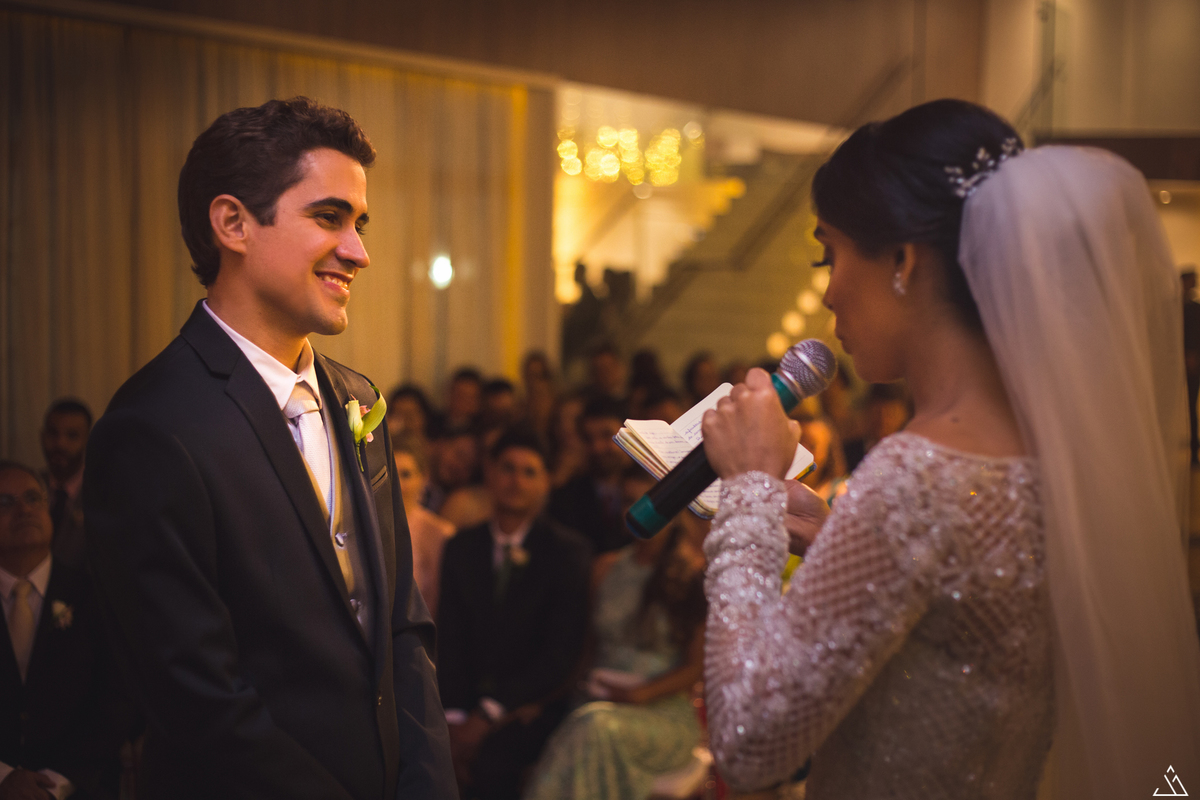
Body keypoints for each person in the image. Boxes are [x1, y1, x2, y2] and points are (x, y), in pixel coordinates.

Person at [697, 99, 1200, 799]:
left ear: (903, 260)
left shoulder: (918, 476)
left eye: (830, 253)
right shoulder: (1059, 458)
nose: (829, 291)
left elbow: (749, 743)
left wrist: (749, 492)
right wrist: (843, 544)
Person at [83, 97, 456, 799]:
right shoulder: (151, 428)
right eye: (328, 217)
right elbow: (198, 699)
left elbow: (403, 626)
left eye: (359, 223)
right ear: (233, 224)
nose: (359, 251)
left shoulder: (357, 398)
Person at [524, 467, 706, 800]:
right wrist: (554, 696)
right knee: (583, 726)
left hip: (660, 712)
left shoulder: (693, 574)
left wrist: (640, 695)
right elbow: (587, 652)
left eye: (648, 500)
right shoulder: (605, 568)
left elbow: (696, 666)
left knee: (596, 729)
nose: (636, 510)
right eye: (627, 500)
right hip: (597, 699)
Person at [437, 426, 592, 800]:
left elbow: (559, 653)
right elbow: (451, 638)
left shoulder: (567, 552)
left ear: (545, 483)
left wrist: (488, 715)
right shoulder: (462, 546)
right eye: (507, 468)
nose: (516, 481)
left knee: (492, 766)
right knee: (423, 754)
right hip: (463, 702)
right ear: (489, 473)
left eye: (529, 472)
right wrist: (456, 718)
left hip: (530, 704)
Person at [0, 461, 128, 800]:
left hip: (80, 787)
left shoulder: (94, 596)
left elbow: (115, 697)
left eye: (32, 498)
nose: (23, 509)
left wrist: (56, 782)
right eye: (5, 502)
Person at [546, 396, 634, 554]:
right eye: (588, 439)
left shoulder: (646, 486)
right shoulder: (567, 498)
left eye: (607, 435)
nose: (597, 448)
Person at [392, 434, 455, 619]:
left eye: (406, 474)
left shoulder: (441, 533)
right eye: (392, 474)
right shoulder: (367, 527)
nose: (398, 485)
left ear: (423, 477)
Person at [38, 399, 92, 570]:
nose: (60, 444)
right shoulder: (29, 487)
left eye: (72, 435)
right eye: (53, 433)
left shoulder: (101, 493)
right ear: (42, 435)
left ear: (88, 441)